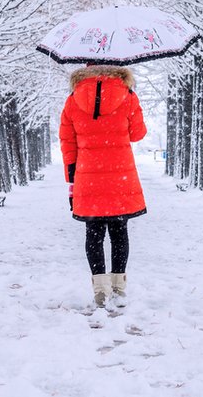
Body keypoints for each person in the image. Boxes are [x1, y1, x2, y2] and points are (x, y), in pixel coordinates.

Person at [59, 64, 147, 308]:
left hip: (89, 176)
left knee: (94, 233)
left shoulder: (73, 99)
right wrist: (132, 101)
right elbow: (138, 133)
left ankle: (100, 289)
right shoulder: (127, 96)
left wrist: (72, 179)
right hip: (121, 176)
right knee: (119, 232)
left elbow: (68, 142)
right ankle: (119, 287)